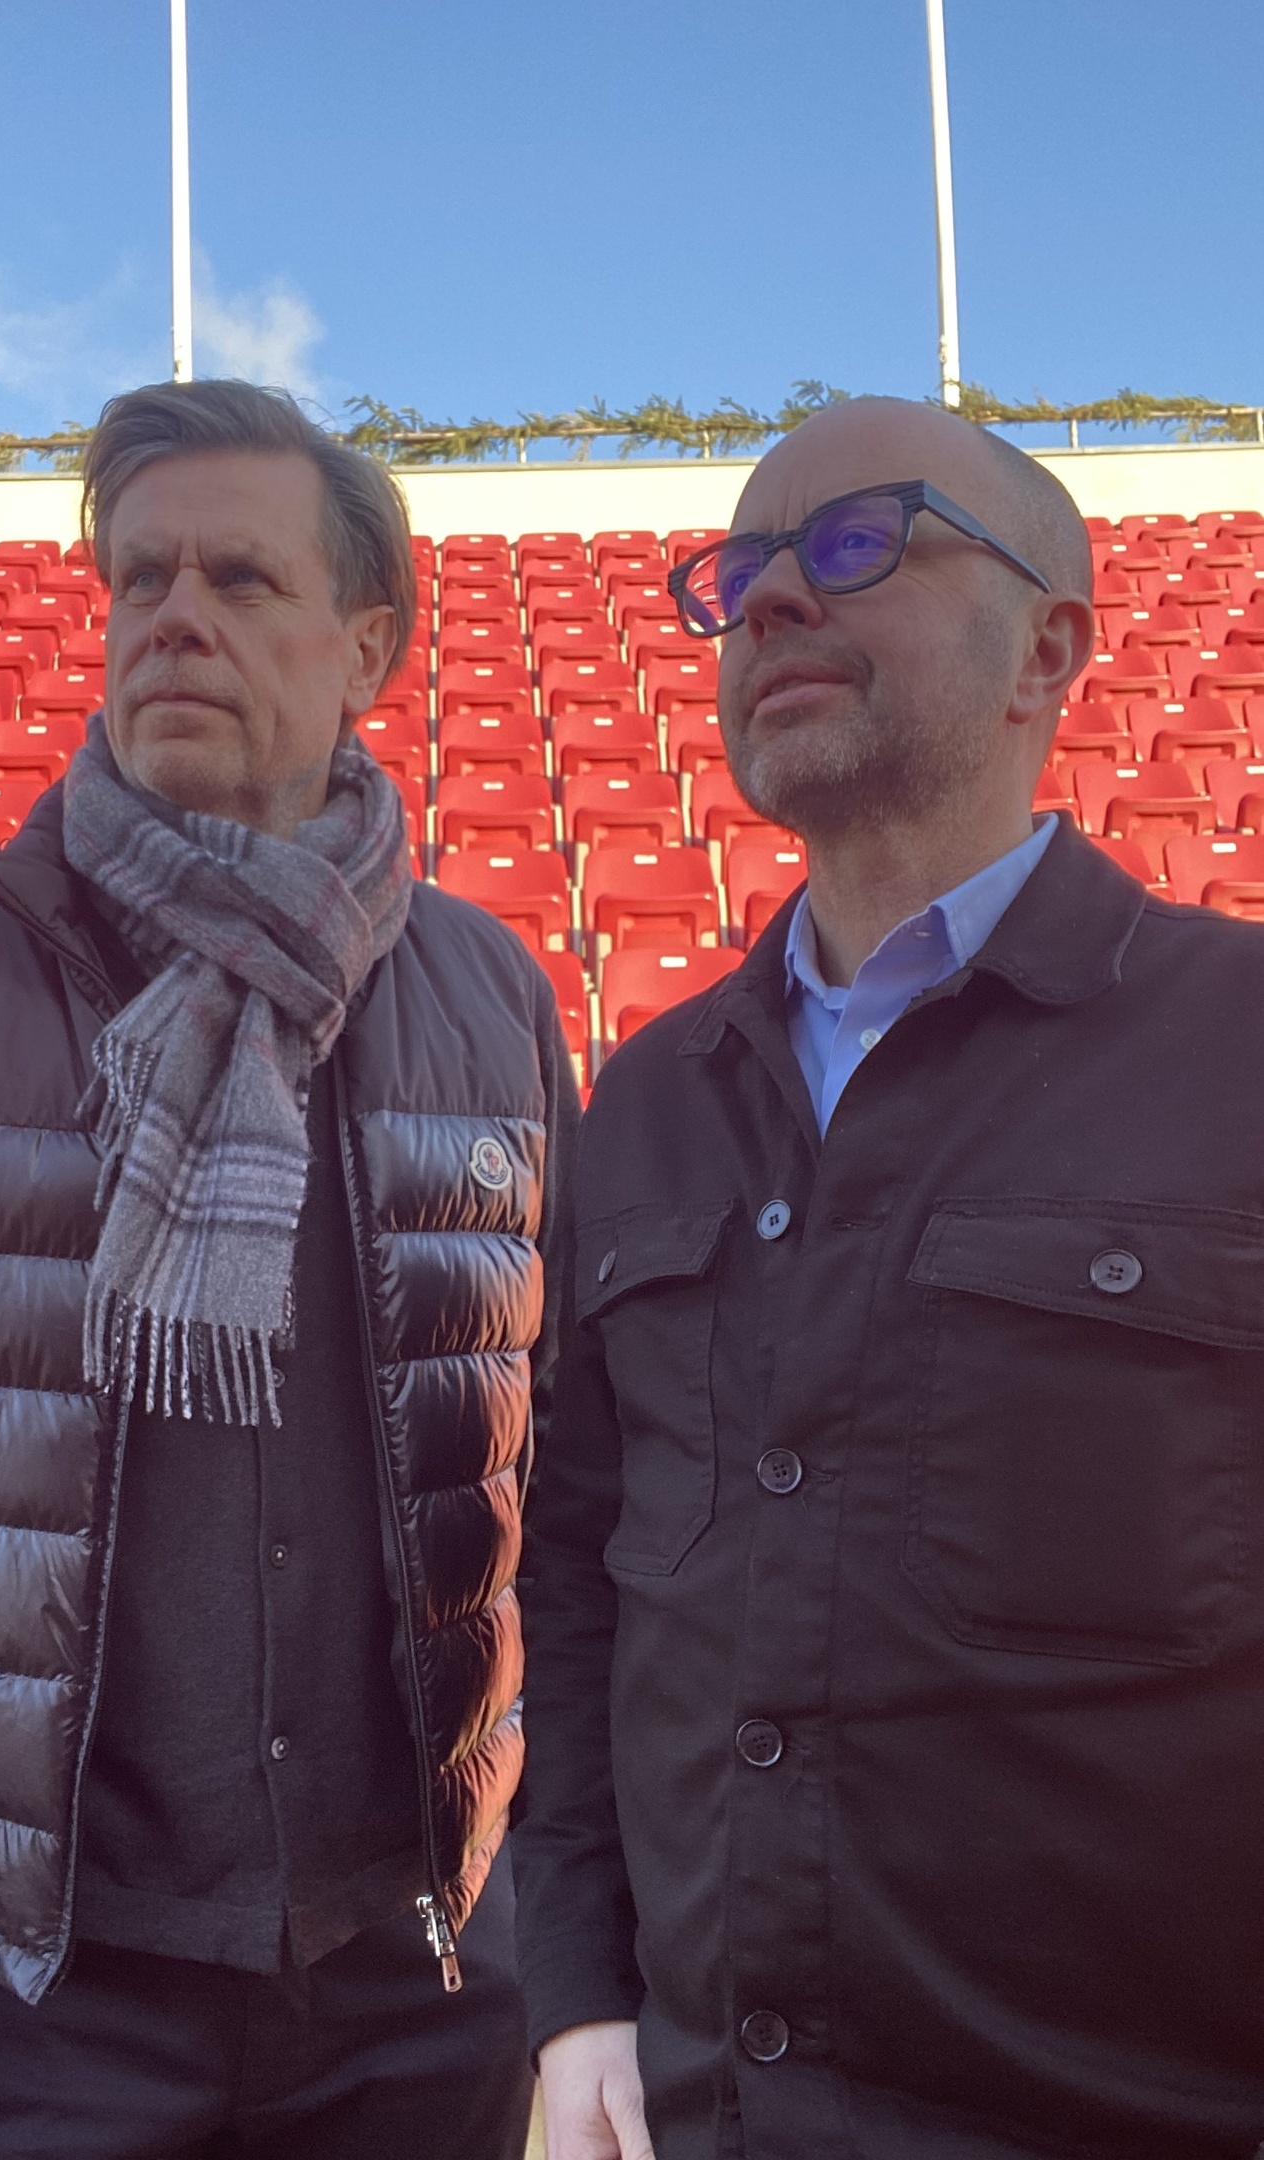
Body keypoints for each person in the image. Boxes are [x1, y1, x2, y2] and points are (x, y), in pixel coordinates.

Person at [0, 377, 575, 2159]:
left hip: (421, 1979)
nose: (171, 616)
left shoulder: (490, 995)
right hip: (20, 1994)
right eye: (138, 579)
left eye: (240, 580)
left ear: (369, 647)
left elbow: (565, 1464)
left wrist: (579, 1927)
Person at [515, 395, 1264, 2159]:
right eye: (742, 572)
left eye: (858, 544)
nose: (772, 598)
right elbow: (586, 1581)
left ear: (1047, 651)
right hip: (704, 2111)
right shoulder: (651, 1098)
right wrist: (580, 1992)